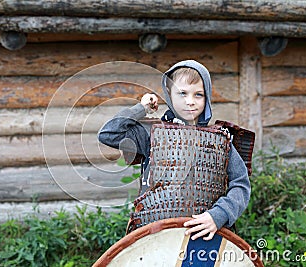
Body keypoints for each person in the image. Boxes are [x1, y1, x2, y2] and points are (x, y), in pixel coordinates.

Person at [98, 60, 251, 241]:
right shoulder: (151, 134)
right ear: (169, 94)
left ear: (207, 96)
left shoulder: (220, 139)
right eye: (182, 93)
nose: (190, 101)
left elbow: (241, 184)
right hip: (154, 235)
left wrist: (218, 215)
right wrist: (141, 109)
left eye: (198, 95)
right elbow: (109, 134)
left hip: (204, 235)